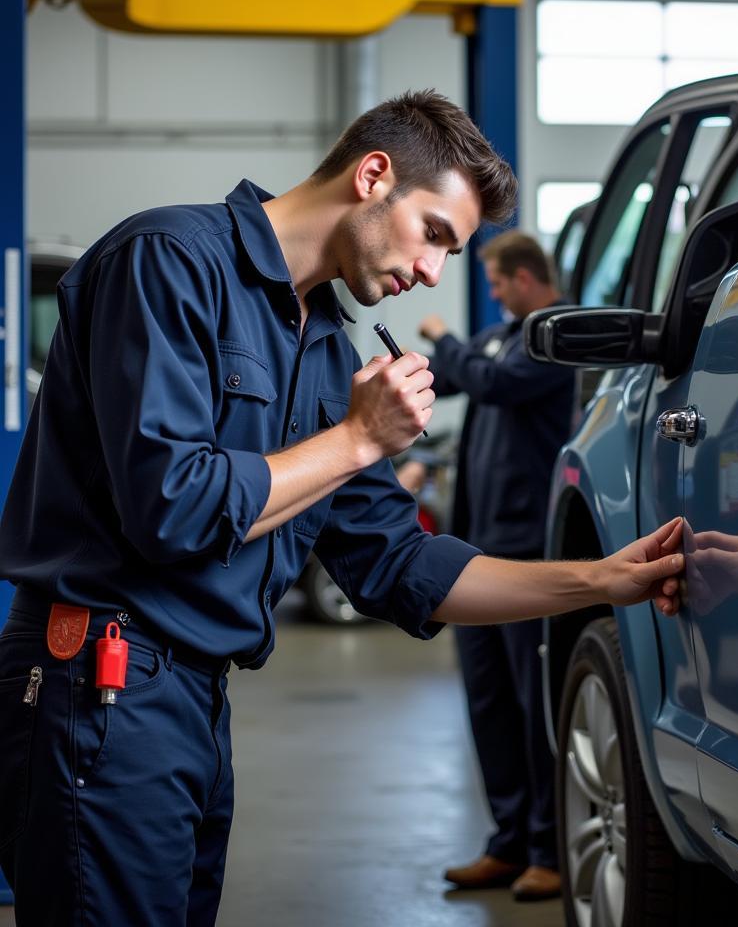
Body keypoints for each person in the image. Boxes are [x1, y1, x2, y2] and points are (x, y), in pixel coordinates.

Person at [0, 89, 685, 927]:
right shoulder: (168, 261)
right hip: (101, 679)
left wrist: (598, 580)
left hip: (195, 701)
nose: (433, 272)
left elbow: (401, 565)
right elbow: (170, 506)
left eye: (453, 253)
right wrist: (360, 440)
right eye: (434, 233)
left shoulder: (327, 349)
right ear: (372, 176)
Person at [419, 230, 571, 901]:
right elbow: (458, 377)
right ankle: (508, 841)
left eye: (501, 282)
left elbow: (494, 381)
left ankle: (548, 847)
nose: (496, 294)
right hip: (476, 545)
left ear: (529, 278)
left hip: (525, 548)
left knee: (529, 700)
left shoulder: (553, 335)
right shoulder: (502, 335)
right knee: (488, 702)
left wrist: (442, 334)